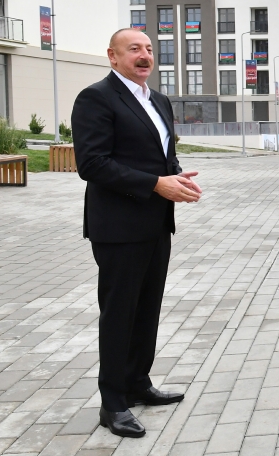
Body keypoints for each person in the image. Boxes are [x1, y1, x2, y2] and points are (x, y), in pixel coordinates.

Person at [71, 29, 201, 438]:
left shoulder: (158, 100)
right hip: (118, 227)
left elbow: (163, 155)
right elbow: (92, 163)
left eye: (148, 49)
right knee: (119, 313)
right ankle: (112, 403)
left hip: (155, 222)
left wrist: (176, 177)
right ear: (112, 56)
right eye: (134, 50)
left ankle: (137, 383)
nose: (144, 56)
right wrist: (154, 184)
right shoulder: (96, 98)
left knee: (147, 309)